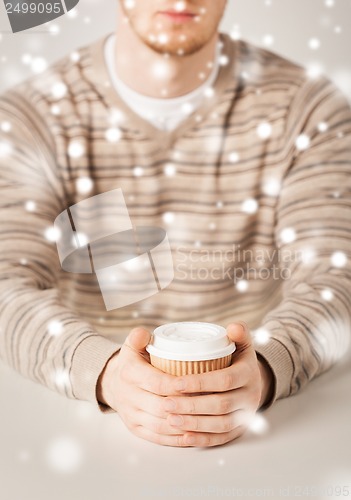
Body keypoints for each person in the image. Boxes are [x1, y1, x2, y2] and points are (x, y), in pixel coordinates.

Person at [0, 0, 350, 448]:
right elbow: (9, 283)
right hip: (88, 432)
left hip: (266, 435)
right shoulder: (33, 116)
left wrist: (266, 367)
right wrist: (105, 372)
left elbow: (334, 277)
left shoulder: (309, 110)